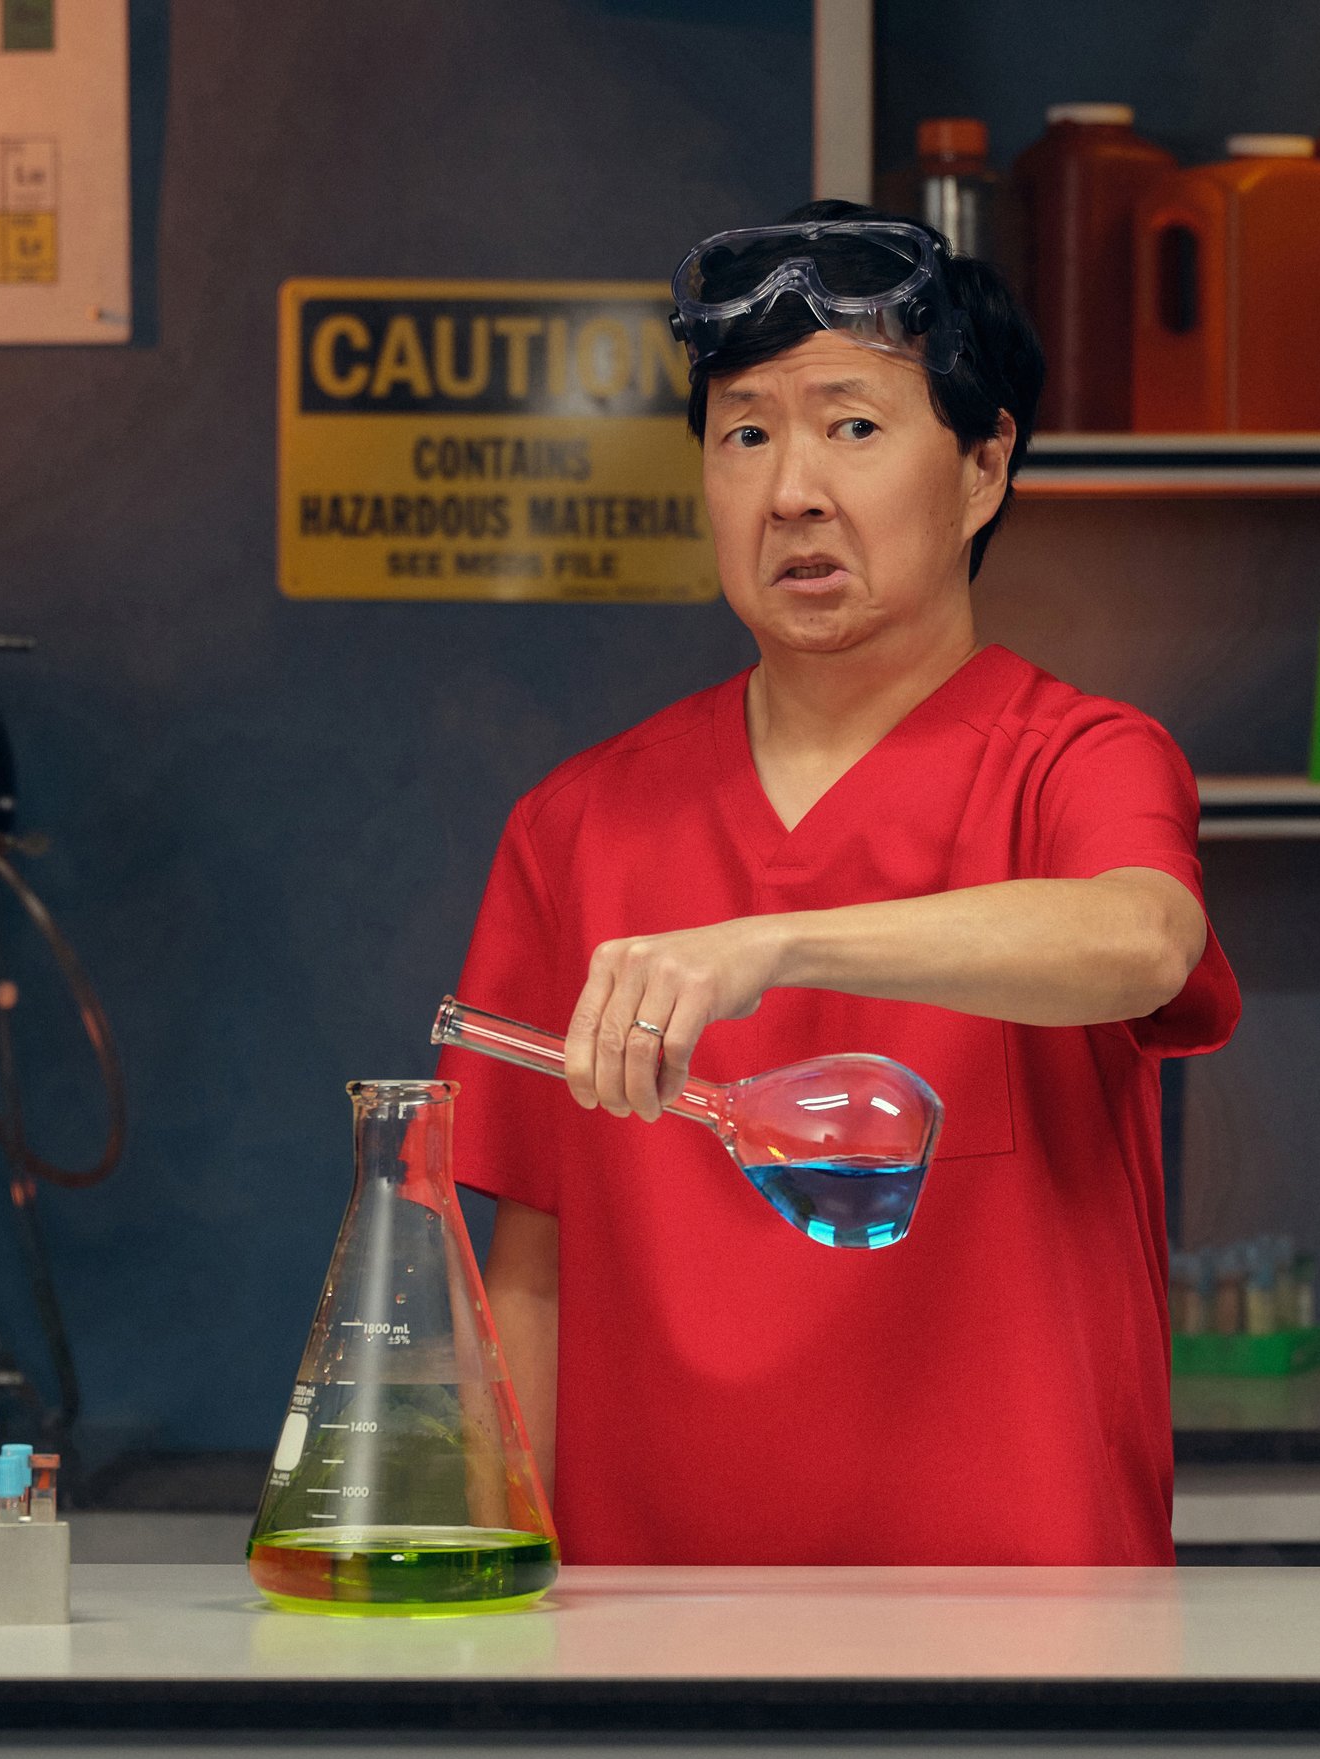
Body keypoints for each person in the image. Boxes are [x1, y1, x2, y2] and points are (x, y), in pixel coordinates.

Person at [439, 203, 1241, 1564]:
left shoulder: (1078, 763)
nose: (792, 489)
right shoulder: (578, 822)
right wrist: (486, 1598)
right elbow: (530, 1284)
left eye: (853, 427)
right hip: (650, 1644)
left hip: (1021, 1637)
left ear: (984, 468)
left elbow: (1142, 941)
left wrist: (776, 945)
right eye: (746, 433)